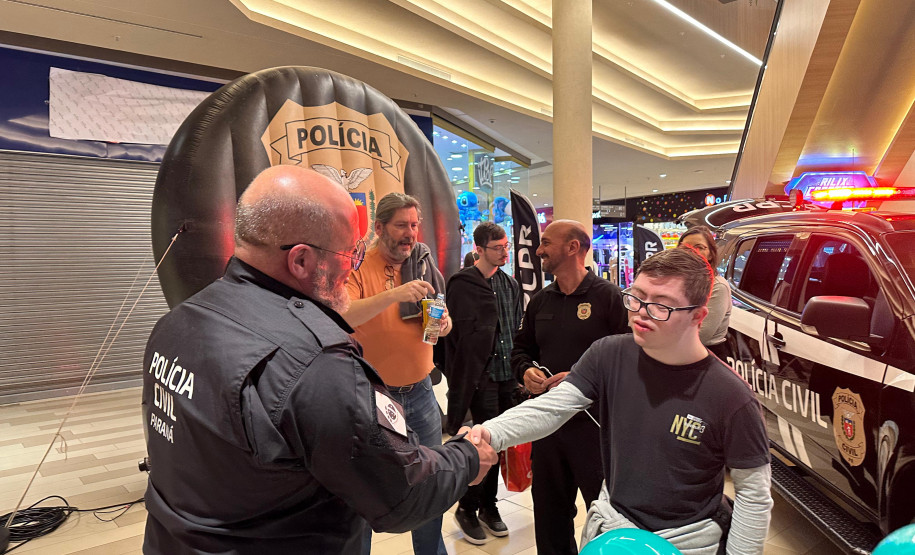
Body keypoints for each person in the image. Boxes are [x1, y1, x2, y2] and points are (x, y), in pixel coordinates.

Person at [141, 166, 496, 554]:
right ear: (301, 261)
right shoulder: (316, 363)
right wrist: (466, 457)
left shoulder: (177, 322)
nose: (352, 266)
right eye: (349, 253)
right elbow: (400, 495)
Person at [467, 248, 773, 554]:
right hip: (616, 529)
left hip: (688, 539)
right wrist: (488, 434)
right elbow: (552, 407)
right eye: (636, 298)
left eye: (661, 306)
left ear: (698, 316)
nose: (641, 312)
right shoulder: (608, 354)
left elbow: (753, 495)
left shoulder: (732, 397)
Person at [342, 192, 453, 555]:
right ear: (379, 227)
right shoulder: (358, 264)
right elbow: (344, 315)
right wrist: (394, 295)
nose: (411, 233)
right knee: (367, 485)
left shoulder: (421, 261)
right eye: (402, 225)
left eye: (415, 225)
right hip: (374, 394)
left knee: (430, 480)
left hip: (420, 390)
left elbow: (437, 313)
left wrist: (443, 321)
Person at [511, 219, 629, 555]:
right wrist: (526, 371)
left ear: (573, 247)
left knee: (605, 512)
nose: (539, 249)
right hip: (548, 426)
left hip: (596, 429)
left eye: (546, 242)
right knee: (549, 514)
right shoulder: (540, 302)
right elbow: (521, 350)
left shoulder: (608, 297)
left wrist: (582, 380)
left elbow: (629, 359)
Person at [443, 221, 522, 545]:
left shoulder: (510, 284)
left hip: (508, 379)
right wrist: (459, 376)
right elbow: (452, 339)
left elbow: (515, 328)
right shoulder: (462, 284)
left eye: (506, 246)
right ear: (479, 248)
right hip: (481, 378)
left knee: (501, 445)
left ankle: (488, 507)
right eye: (498, 247)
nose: (504, 252)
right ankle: (469, 507)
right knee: (484, 444)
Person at [677, 225, 731, 360]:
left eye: (699, 247)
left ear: (711, 254)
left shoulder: (718, 286)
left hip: (707, 357)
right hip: (678, 352)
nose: (691, 252)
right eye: (685, 247)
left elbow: (702, 334)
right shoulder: (676, 282)